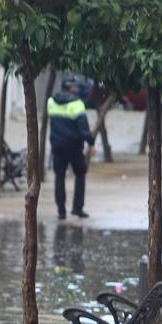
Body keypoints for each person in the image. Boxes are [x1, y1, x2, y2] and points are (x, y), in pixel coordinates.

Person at [47, 79, 96, 219]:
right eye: (74, 86)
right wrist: (91, 143)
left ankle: (61, 211)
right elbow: (83, 128)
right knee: (80, 174)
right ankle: (77, 208)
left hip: (57, 146)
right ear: (71, 88)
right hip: (74, 147)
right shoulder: (77, 104)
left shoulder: (51, 101)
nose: (76, 88)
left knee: (59, 177)